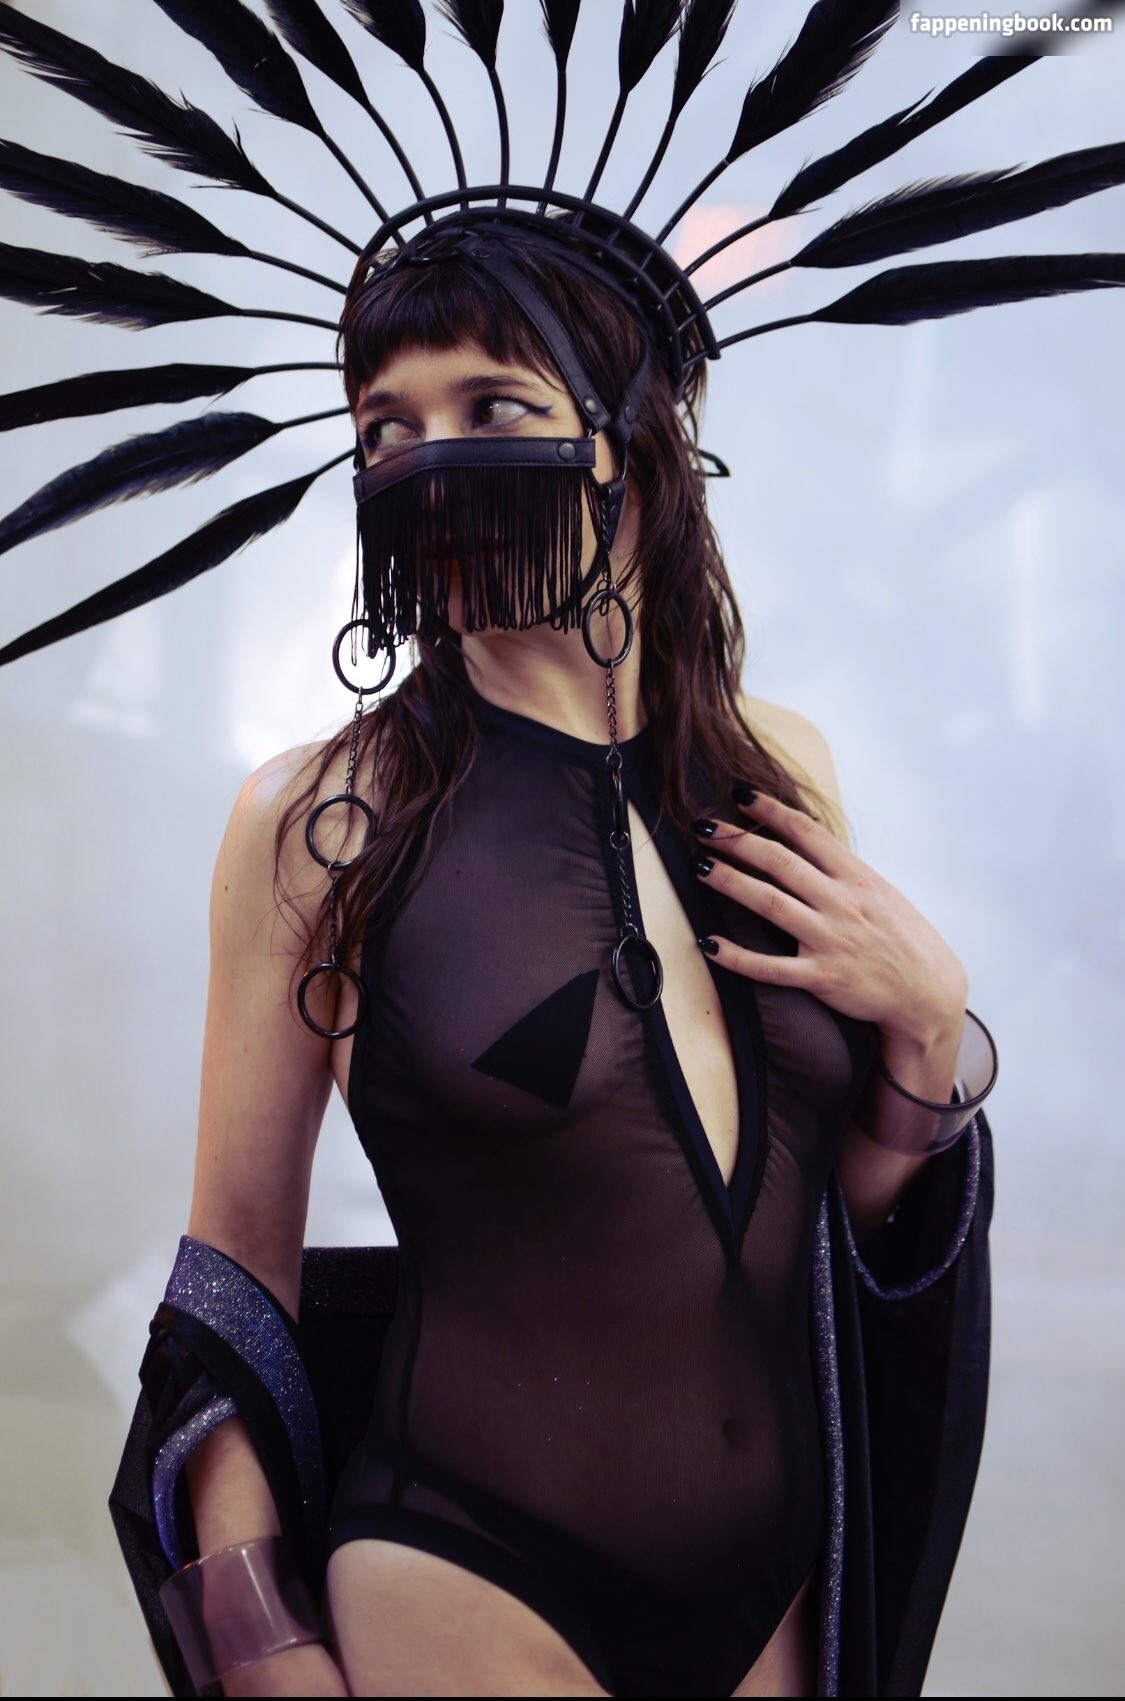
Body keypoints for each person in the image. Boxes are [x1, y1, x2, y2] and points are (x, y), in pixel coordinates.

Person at [157, 231, 995, 1699]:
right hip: (469, 1579)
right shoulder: (322, 823)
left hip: (781, 1598)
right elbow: (234, 1269)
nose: (430, 461)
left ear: (632, 442)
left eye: (492, 406)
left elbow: (823, 1223)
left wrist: (932, 1035)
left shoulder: (780, 769)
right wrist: (257, 1642)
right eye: (386, 427)